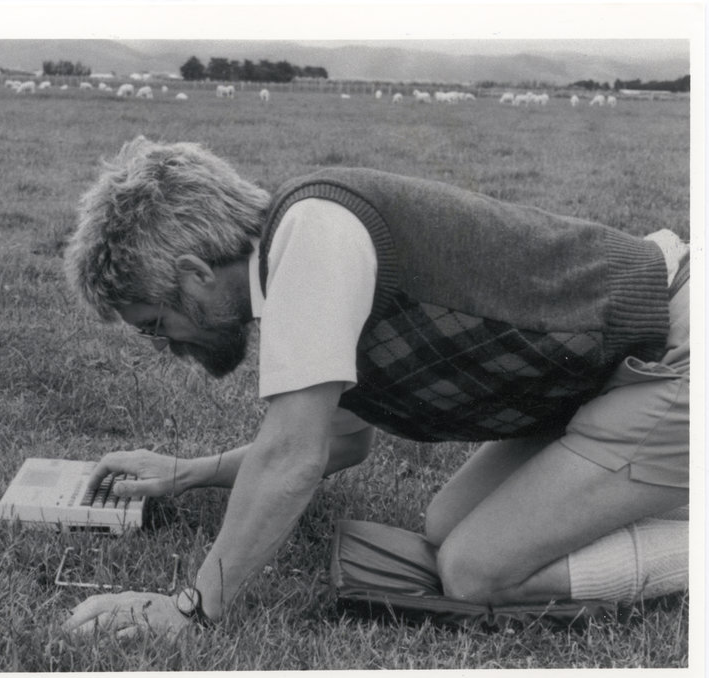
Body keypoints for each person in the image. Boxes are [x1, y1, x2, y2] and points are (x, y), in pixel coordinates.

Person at [60, 135, 690, 638]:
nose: (167, 345)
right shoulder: (301, 250)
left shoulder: (312, 234)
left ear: (194, 274)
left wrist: (192, 609)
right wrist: (184, 471)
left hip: (675, 351)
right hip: (612, 371)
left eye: (154, 324)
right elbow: (338, 442)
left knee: (477, 571)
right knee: (446, 525)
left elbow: (292, 457)